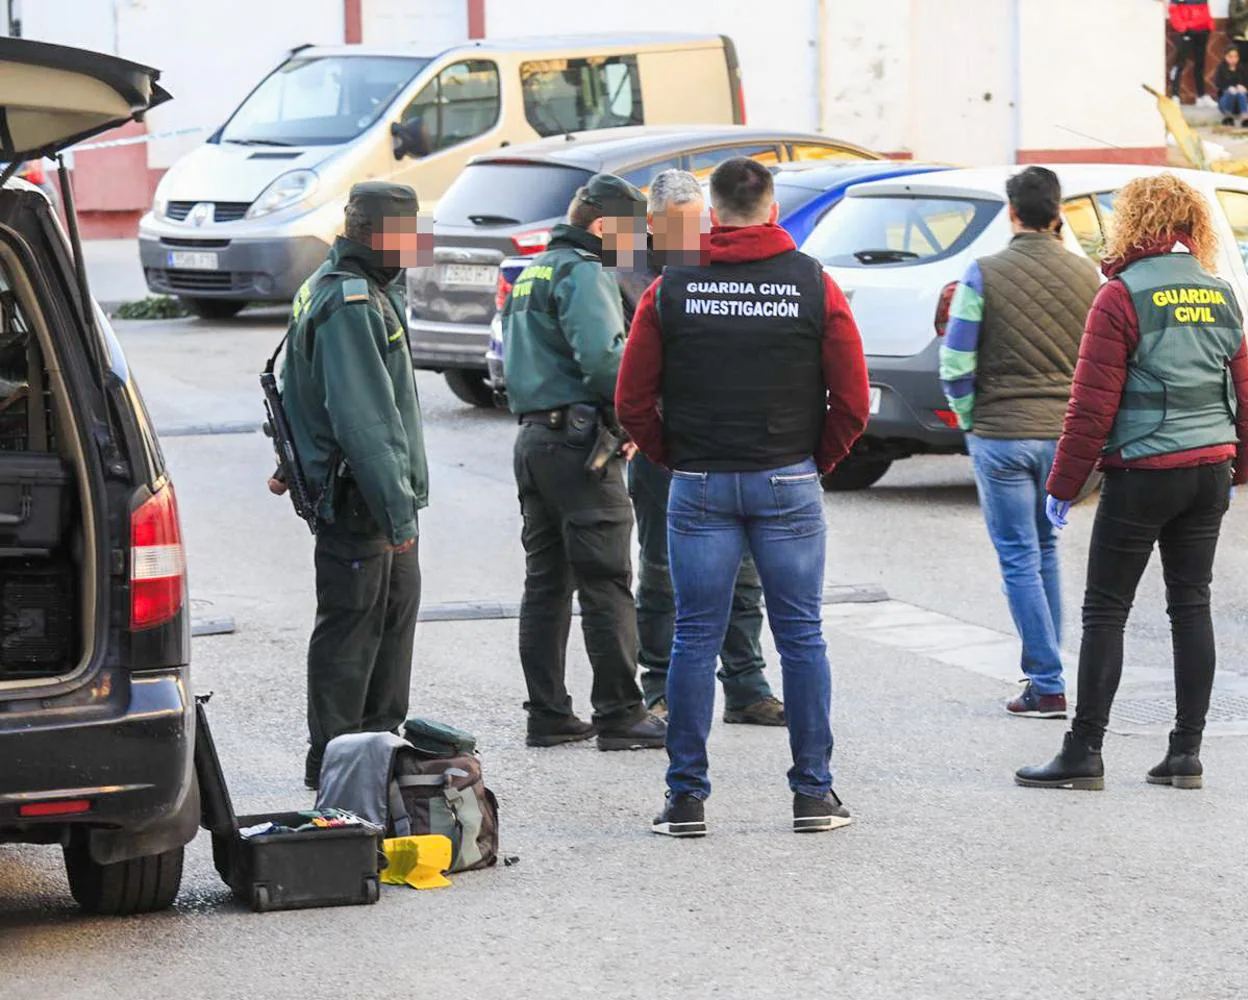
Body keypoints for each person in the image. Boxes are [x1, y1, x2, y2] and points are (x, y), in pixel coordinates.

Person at [617, 157, 870, 837]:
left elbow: (632, 399)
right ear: (772, 203)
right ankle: (813, 796)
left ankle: (686, 800)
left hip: (698, 481)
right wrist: (814, 461)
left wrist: (676, 456)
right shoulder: (814, 284)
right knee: (803, 637)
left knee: (694, 638)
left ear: (712, 210)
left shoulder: (672, 288)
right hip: (787, 478)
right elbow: (851, 397)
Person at [1016, 173, 1248, 791]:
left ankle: (1084, 751)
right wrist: (1238, 470)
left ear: (1134, 222)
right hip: (1208, 473)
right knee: (1190, 605)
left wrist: (1063, 487)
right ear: (1191, 225)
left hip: (1144, 474)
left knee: (1105, 610)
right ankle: (1185, 754)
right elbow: (1244, 392)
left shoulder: (1121, 296)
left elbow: (1090, 407)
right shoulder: (1220, 292)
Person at [501, 172, 666, 752]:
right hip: (580, 447)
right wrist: (642, 418)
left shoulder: (532, 272)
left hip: (534, 441)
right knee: (606, 581)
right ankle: (621, 713)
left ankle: (547, 714)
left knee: (546, 584)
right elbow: (604, 361)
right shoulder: (583, 272)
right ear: (600, 226)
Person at [617, 168, 785, 727]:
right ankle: (658, 687)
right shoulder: (624, 266)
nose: (691, 237)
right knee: (663, 569)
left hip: (721, 441)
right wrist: (639, 434)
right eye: (677, 226)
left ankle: (746, 685)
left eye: (697, 224)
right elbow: (614, 360)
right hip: (660, 446)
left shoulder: (721, 262)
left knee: (743, 568)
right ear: (653, 223)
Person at [276, 182, 429, 790]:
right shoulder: (352, 302)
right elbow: (367, 422)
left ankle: (375, 755)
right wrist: (398, 516)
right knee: (354, 634)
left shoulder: (339, 287)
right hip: (364, 499)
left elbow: (299, 392)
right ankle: (339, 763)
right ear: (376, 235)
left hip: (365, 493)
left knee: (384, 628)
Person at [939, 166, 1100, 720]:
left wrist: (969, 421)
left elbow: (956, 362)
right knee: (1046, 549)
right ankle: (1049, 673)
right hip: (1063, 438)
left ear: (1012, 214)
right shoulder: (1089, 277)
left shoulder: (983, 274)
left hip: (1001, 436)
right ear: (1058, 215)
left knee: (1016, 557)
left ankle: (1047, 682)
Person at [1168, 1, 1216, 108]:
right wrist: (1183, 28)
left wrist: (1209, 26)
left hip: (1202, 32)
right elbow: (1173, 10)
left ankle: (1201, 96)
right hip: (1187, 32)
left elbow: (1205, 8)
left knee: (1200, 65)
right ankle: (1175, 95)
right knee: (1179, 64)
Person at [1215, 45, 1248, 126]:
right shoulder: (1221, 68)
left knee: (1241, 93)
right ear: (1225, 57)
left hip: (1240, 103)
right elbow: (1218, 83)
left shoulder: (1243, 68)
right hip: (1226, 102)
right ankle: (1228, 117)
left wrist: (1244, 87)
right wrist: (1229, 87)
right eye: (1230, 56)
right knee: (1232, 92)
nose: (1233, 59)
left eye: (1236, 56)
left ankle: (1245, 118)